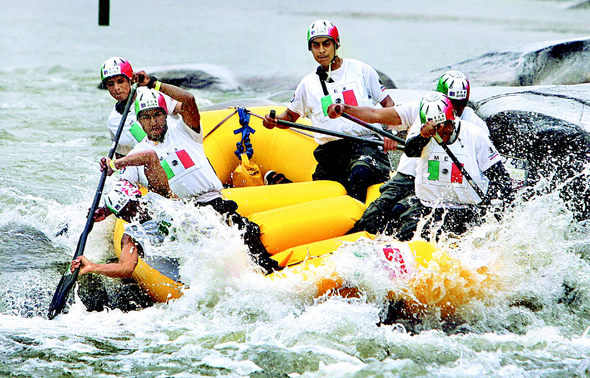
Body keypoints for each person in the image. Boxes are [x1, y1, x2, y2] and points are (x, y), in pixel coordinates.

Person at [102, 75, 279, 273]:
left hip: (213, 202)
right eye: (146, 117)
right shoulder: (137, 156)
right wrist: (105, 209)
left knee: (248, 231)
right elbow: (122, 190)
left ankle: (266, 272)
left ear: (165, 114)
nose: (153, 122)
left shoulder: (186, 131)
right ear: (139, 122)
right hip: (181, 215)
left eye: (158, 115)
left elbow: (188, 100)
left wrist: (153, 84)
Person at [328, 70, 490, 234]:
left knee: (400, 212)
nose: (456, 109)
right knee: (375, 214)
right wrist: (345, 109)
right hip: (407, 176)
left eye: (461, 103)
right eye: (451, 102)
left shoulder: (476, 126)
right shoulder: (423, 108)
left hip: (438, 186)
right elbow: (375, 114)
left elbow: (488, 165)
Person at [261, 19, 394, 202]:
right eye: (316, 45)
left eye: (326, 43)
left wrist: (389, 133)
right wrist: (273, 121)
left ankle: (360, 222)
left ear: (336, 43)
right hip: (330, 152)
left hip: (365, 145)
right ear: (311, 49)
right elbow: (290, 116)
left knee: (359, 172)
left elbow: (388, 104)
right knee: (322, 195)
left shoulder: (362, 70)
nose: (321, 50)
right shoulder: (308, 84)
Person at [393, 92, 514, 240]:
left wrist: (493, 210)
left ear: (452, 120)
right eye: (436, 131)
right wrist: (423, 136)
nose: (441, 134)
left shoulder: (475, 134)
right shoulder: (423, 136)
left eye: (445, 129)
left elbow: (501, 178)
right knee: (397, 215)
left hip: (464, 209)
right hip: (428, 206)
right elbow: (410, 151)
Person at [100, 57, 180, 157]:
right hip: (155, 166)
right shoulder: (113, 122)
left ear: (130, 81)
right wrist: (111, 166)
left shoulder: (153, 95)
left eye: (120, 81)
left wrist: (152, 83)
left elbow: (185, 108)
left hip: (176, 151)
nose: (116, 88)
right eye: (111, 84)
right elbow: (121, 155)